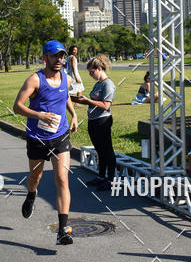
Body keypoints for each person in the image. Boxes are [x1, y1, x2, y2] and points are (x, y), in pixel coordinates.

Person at [13, 40, 79, 246]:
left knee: (62, 179)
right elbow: (17, 106)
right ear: (45, 58)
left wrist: (74, 114)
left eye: (62, 55)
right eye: (55, 55)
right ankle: (31, 194)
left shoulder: (66, 79)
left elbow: (65, 96)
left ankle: (62, 230)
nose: (59, 59)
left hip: (60, 136)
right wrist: (39, 115)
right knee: (35, 176)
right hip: (37, 138)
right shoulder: (35, 80)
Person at [73, 55, 116, 191]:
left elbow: (105, 105)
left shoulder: (108, 84)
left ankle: (110, 179)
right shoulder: (98, 84)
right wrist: (75, 99)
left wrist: (88, 101)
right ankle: (101, 176)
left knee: (107, 150)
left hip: (103, 120)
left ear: (99, 68)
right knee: (99, 150)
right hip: (93, 121)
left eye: (92, 72)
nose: (91, 75)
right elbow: (92, 102)